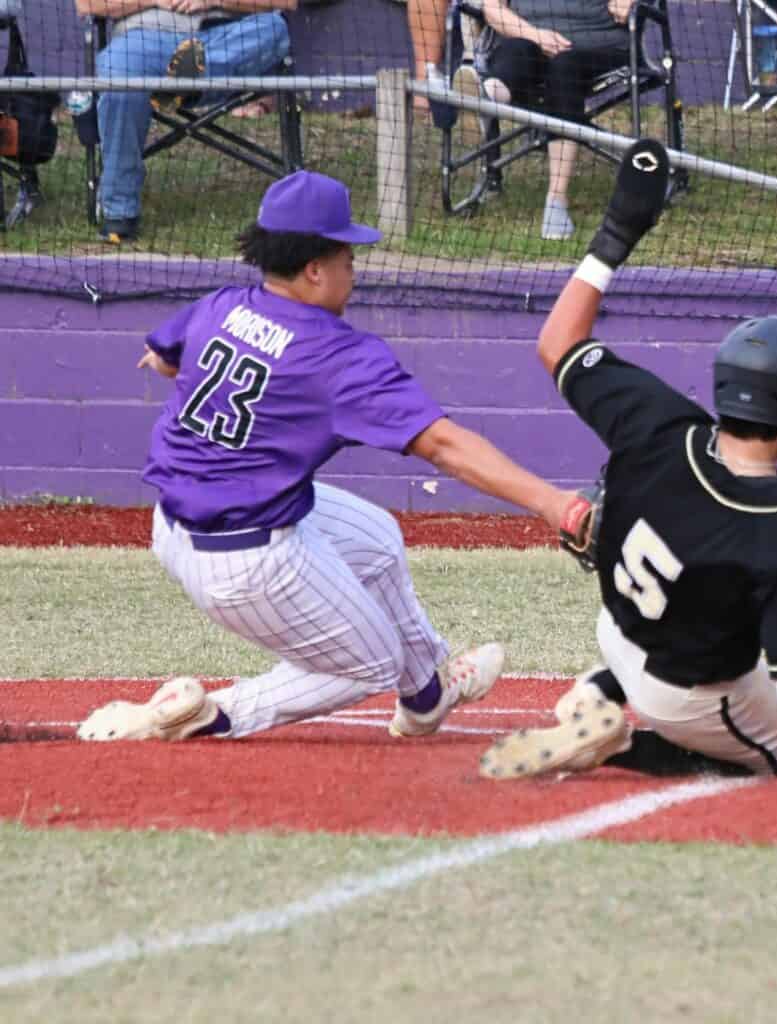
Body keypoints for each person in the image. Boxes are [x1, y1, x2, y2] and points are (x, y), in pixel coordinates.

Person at [480, 139, 777, 799]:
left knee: (695, 618)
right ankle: (618, 743)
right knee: (772, 753)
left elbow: (557, 342)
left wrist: (618, 232)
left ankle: (596, 694)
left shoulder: (660, 422)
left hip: (614, 632)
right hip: (684, 696)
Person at [77, 169, 579, 744]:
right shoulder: (336, 355)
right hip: (246, 562)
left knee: (378, 540)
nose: (353, 271)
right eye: (347, 258)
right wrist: (552, 502)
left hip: (176, 528)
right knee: (373, 665)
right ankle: (212, 713)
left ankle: (426, 698)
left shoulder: (222, 304)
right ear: (314, 269)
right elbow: (444, 445)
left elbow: (163, 358)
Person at [76, 0, 296, 244]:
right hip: (146, 42)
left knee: (274, 29)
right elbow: (88, 5)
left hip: (228, 37)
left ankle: (183, 79)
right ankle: (120, 211)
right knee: (120, 68)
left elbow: (287, 2)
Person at [452, 0, 633, 240]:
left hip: (595, 45)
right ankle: (483, 98)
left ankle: (557, 197)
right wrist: (536, 36)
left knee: (564, 66)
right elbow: (492, 8)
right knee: (516, 52)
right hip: (526, 35)